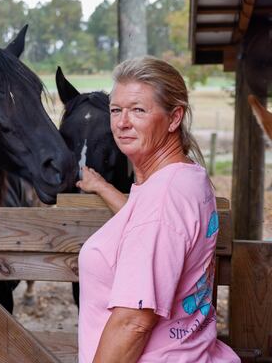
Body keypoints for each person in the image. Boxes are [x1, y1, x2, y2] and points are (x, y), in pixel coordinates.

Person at [75, 56, 239, 362]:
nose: (122, 123)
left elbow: (133, 322)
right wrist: (104, 188)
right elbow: (149, 229)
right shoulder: (187, 178)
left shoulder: (163, 200)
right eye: (115, 110)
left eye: (138, 110)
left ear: (174, 118)